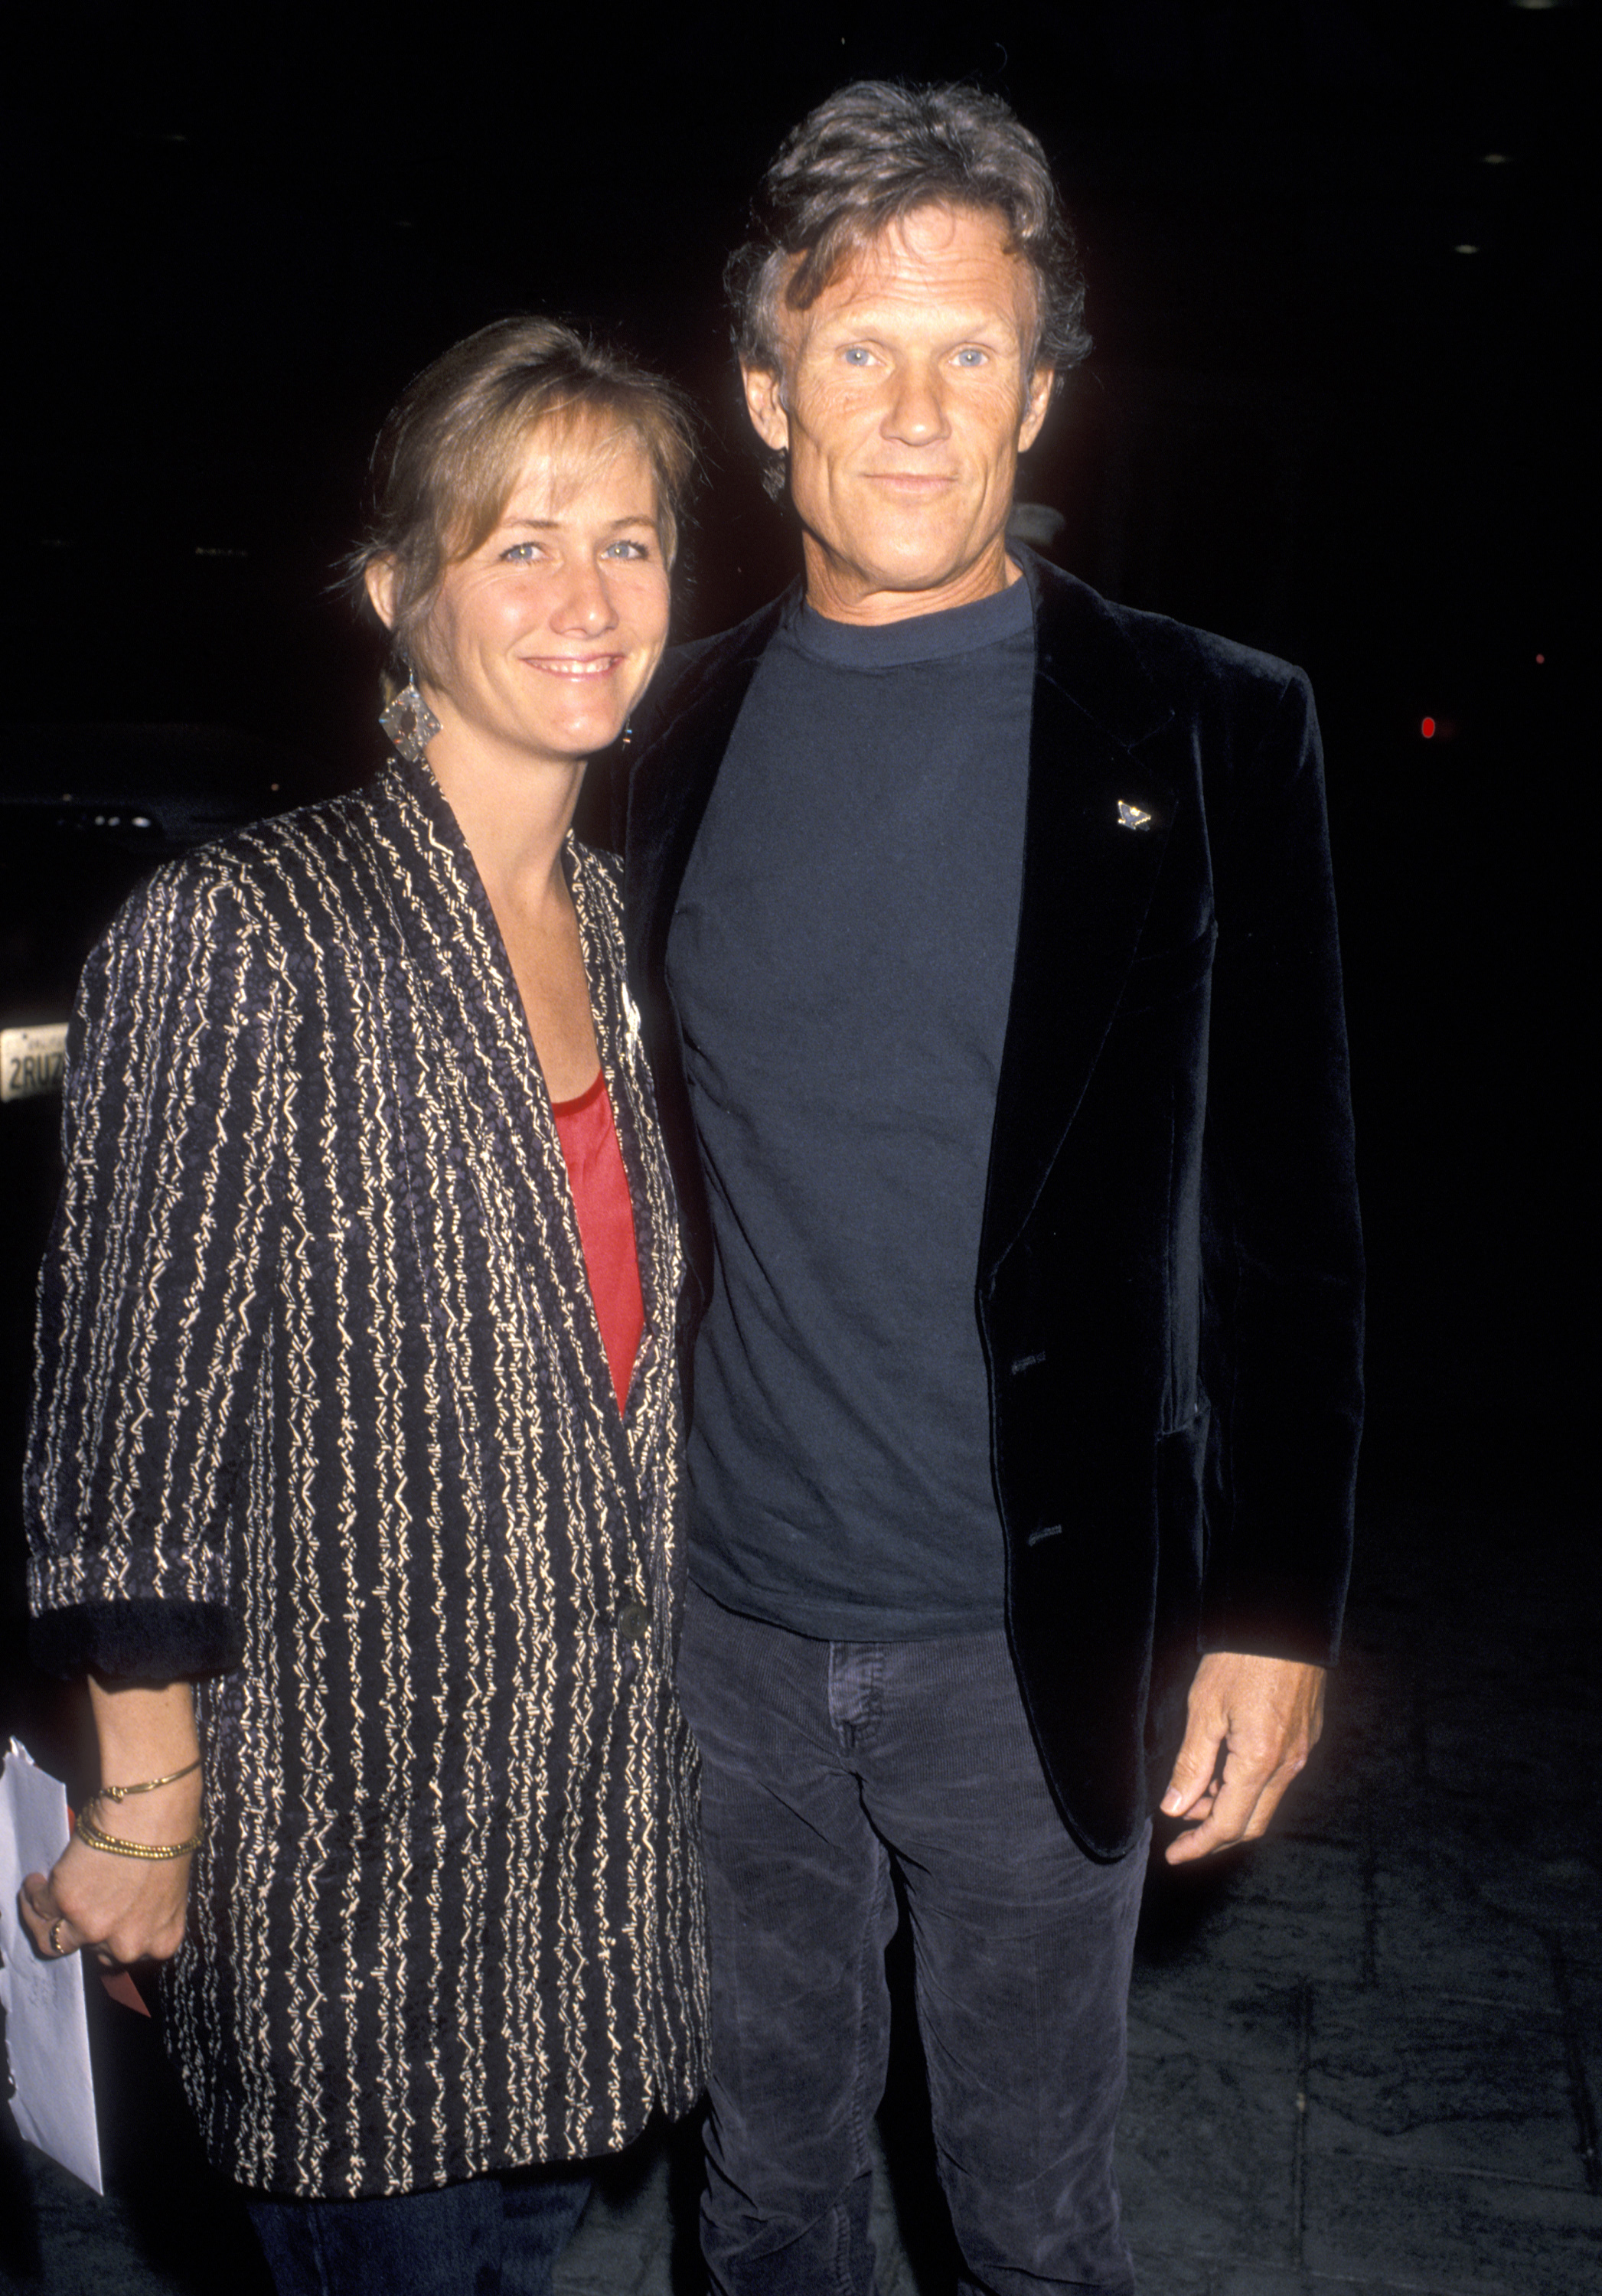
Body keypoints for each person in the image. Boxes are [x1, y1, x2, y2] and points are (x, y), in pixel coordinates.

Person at [622, 83, 1363, 2296]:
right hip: (718, 1625)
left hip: (1025, 1631)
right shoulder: (661, 722)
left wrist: (1276, 1608)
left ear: (1044, 384)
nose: (920, 409)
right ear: (767, 392)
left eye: (974, 350)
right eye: (860, 350)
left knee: (1036, 2226)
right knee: (767, 2201)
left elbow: (1289, 1206)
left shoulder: (1217, 727)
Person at [21, 317, 707, 2295]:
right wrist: (143, 1814)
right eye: (523, 544)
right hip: (349, 1885)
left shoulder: (623, 924)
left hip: (572, 1868)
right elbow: (126, 1437)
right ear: (400, 593)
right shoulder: (247, 933)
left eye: (635, 541)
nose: (588, 598)